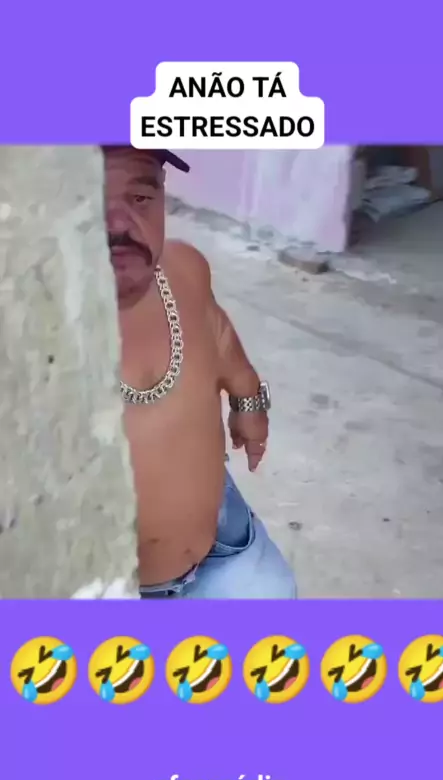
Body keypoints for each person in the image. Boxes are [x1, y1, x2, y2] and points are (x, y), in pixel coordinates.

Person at [102, 146, 296, 598]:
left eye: (140, 198)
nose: (118, 224)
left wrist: (249, 399)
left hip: (223, 544)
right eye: (89, 200)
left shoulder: (184, 269)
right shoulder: (27, 330)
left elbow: (218, 333)